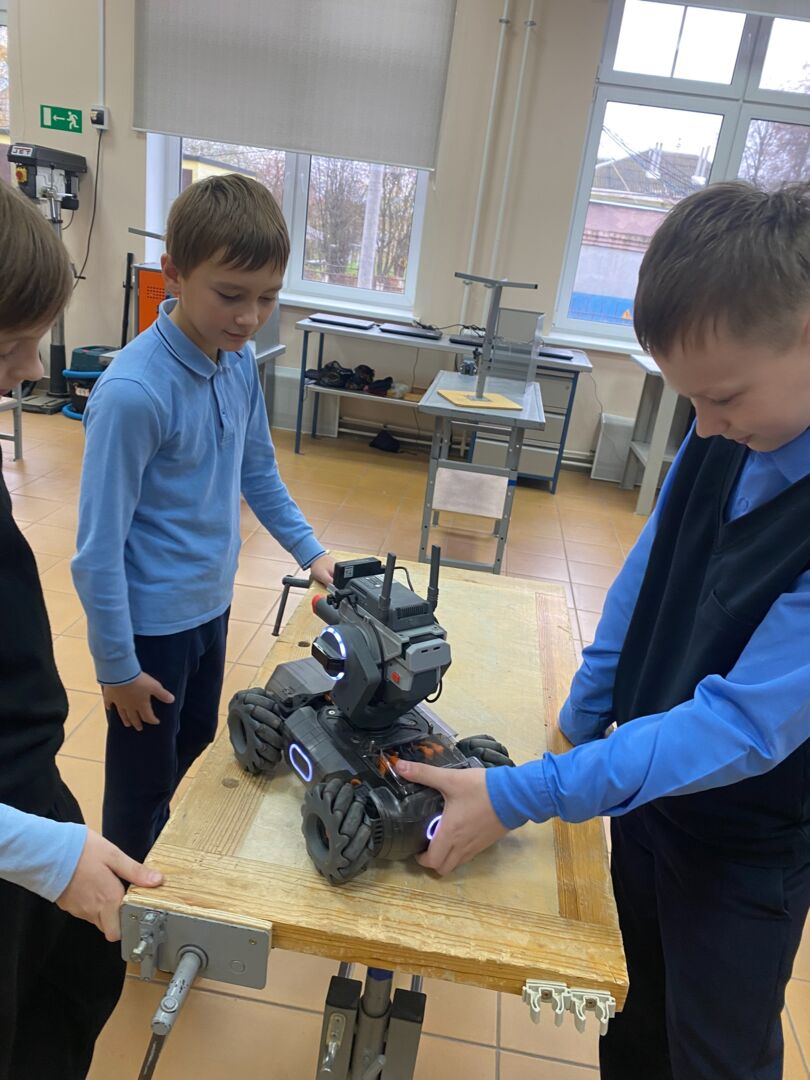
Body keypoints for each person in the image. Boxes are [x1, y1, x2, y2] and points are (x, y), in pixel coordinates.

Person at [395, 180, 810, 1079]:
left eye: (724, 398)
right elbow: (647, 573)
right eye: (690, 401)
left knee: (716, 1052)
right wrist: (579, 723)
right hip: (647, 798)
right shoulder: (727, 431)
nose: (704, 427)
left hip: (745, 846)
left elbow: (741, 728)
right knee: (635, 1014)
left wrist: (529, 793)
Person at [72, 174, 334, 865]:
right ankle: (123, 903)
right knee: (140, 784)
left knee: (193, 748)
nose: (249, 318)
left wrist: (313, 554)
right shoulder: (133, 395)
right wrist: (116, 668)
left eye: (267, 298)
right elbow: (96, 552)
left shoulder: (236, 361)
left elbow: (258, 473)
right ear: (175, 274)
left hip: (209, 609)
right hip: (150, 631)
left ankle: (169, 872)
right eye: (231, 294)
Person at [0, 182, 163, 1080]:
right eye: (9, 346)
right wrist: (45, 852)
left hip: (26, 799)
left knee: (71, 986)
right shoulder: (132, 393)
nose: (31, 369)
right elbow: (97, 555)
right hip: (19, 836)